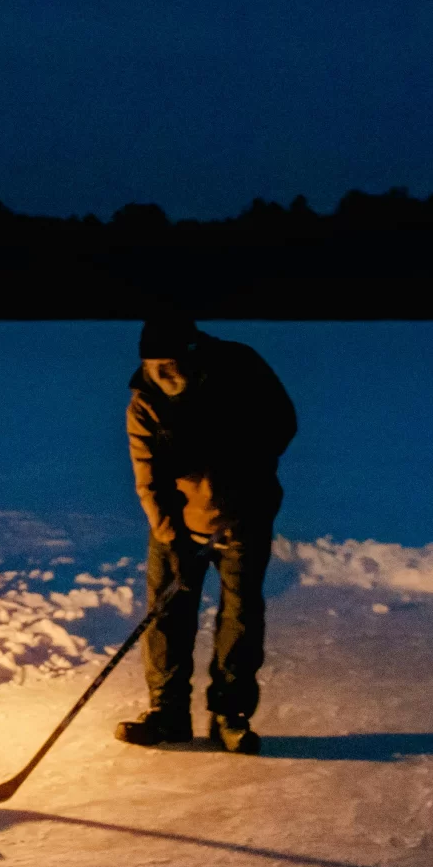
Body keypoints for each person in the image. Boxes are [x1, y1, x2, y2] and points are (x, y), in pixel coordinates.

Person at [118, 316, 297, 754]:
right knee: (166, 613)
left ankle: (230, 715)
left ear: (193, 355)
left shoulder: (239, 369)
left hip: (243, 515)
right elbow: (150, 481)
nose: (161, 376)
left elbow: (282, 423)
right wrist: (172, 539)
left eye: (171, 365)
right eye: (153, 367)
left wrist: (243, 471)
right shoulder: (144, 404)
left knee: (239, 615)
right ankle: (168, 714)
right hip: (180, 521)